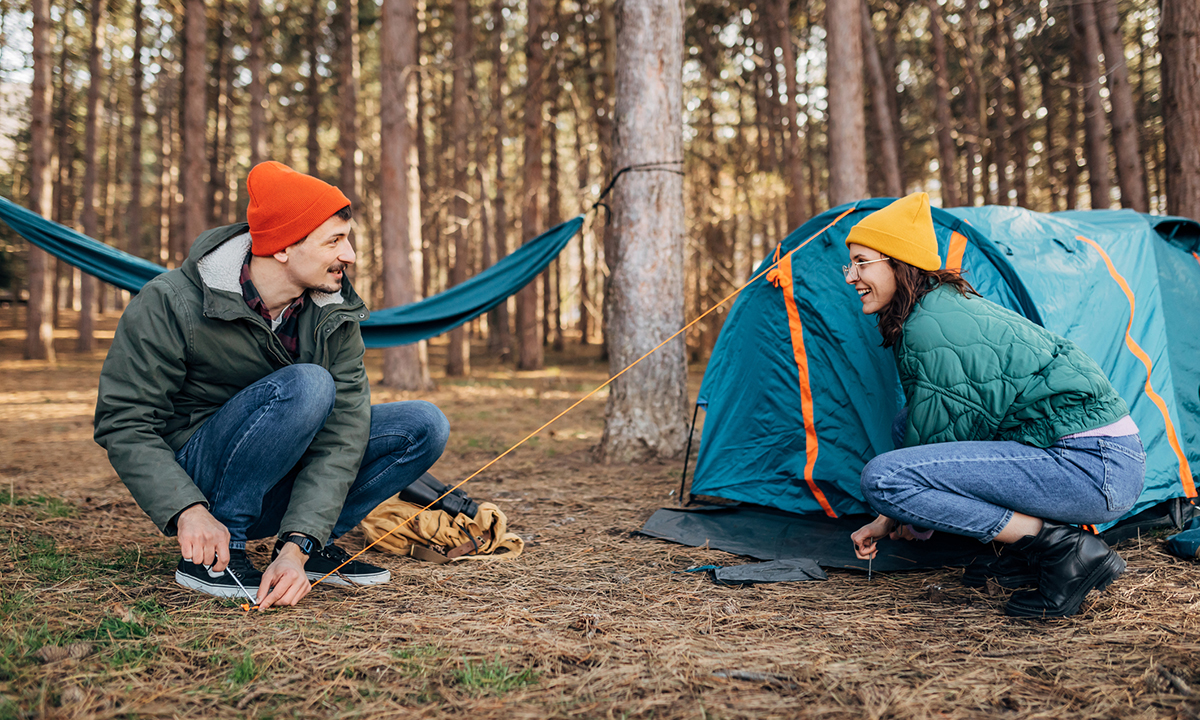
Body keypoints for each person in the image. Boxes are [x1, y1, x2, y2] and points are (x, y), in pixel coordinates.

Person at [94, 161, 450, 610]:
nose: (350, 256)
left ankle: (311, 549)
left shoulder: (332, 313)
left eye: (349, 239)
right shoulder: (171, 302)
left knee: (423, 424)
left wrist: (297, 544)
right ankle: (218, 554)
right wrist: (188, 510)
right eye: (335, 241)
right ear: (283, 248)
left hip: (279, 479)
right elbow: (124, 422)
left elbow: (344, 435)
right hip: (199, 476)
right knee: (309, 385)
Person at [844, 192, 1145, 618]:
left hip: (1094, 468)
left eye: (862, 262)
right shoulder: (936, 306)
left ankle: (1064, 551)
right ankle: (1013, 554)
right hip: (1093, 457)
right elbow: (939, 429)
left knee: (884, 481)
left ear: (898, 261)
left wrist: (890, 518)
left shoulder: (931, 327)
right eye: (850, 264)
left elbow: (938, 444)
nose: (851, 276)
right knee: (904, 425)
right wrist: (902, 520)